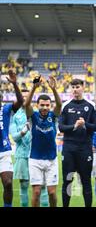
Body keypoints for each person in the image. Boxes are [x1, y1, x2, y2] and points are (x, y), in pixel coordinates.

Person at [59, 78, 96, 207]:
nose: (75, 90)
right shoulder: (66, 105)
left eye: (77, 87)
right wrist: (74, 126)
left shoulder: (91, 105)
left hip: (84, 148)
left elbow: (95, 126)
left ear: (83, 87)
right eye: (73, 87)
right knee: (68, 180)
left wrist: (85, 124)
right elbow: (61, 127)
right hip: (69, 148)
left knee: (86, 181)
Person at [24, 76, 61, 207]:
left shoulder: (53, 116)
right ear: (37, 105)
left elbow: (60, 105)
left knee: (52, 193)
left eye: (47, 105)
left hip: (52, 159)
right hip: (35, 159)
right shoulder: (33, 116)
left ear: (50, 106)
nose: (45, 107)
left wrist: (54, 89)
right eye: (42, 105)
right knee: (37, 192)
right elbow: (26, 105)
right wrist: (34, 88)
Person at [10, 88, 49, 207]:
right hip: (22, 155)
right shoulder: (15, 117)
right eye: (23, 96)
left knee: (42, 186)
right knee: (24, 186)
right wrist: (23, 131)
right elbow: (15, 137)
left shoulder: (37, 113)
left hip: (38, 154)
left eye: (28, 96)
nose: (25, 99)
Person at [0, 70, 24, 207]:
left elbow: (21, 101)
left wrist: (15, 84)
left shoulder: (6, 108)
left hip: (4, 151)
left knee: (8, 183)